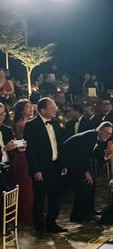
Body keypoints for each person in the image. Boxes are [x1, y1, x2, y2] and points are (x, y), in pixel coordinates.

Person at [24, 97, 66, 236]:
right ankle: (39, 227)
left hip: (54, 166)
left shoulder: (54, 123)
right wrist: (35, 170)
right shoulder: (32, 125)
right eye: (52, 107)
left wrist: (62, 164)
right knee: (40, 198)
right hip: (41, 169)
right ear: (43, 110)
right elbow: (31, 150)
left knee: (55, 196)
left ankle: (51, 223)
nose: (55, 109)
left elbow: (59, 145)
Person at [62, 121, 113, 222]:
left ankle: (89, 211)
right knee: (85, 183)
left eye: (110, 134)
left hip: (78, 160)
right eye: (105, 132)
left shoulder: (99, 139)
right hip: (68, 161)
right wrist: (86, 172)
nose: (107, 135)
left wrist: (107, 156)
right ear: (99, 129)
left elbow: (97, 157)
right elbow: (81, 156)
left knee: (92, 182)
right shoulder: (89, 137)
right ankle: (77, 215)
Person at [10, 99, 33, 226]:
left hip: (25, 154)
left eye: (31, 106)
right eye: (27, 107)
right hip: (23, 155)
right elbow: (23, 142)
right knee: (25, 184)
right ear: (21, 110)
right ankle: (26, 213)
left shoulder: (26, 122)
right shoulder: (21, 124)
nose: (30, 109)